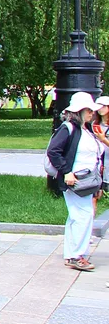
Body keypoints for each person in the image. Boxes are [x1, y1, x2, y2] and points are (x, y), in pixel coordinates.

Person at [47, 91, 106, 271]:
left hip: (85, 181)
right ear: (79, 111)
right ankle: (76, 255)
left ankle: (73, 254)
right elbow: (53, 151)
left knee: (77, 216)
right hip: (75, 181)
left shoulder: (84, 129)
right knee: (82, 216)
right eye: (88, 110)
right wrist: (67, 172)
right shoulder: (68, 128)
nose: (92, 113)